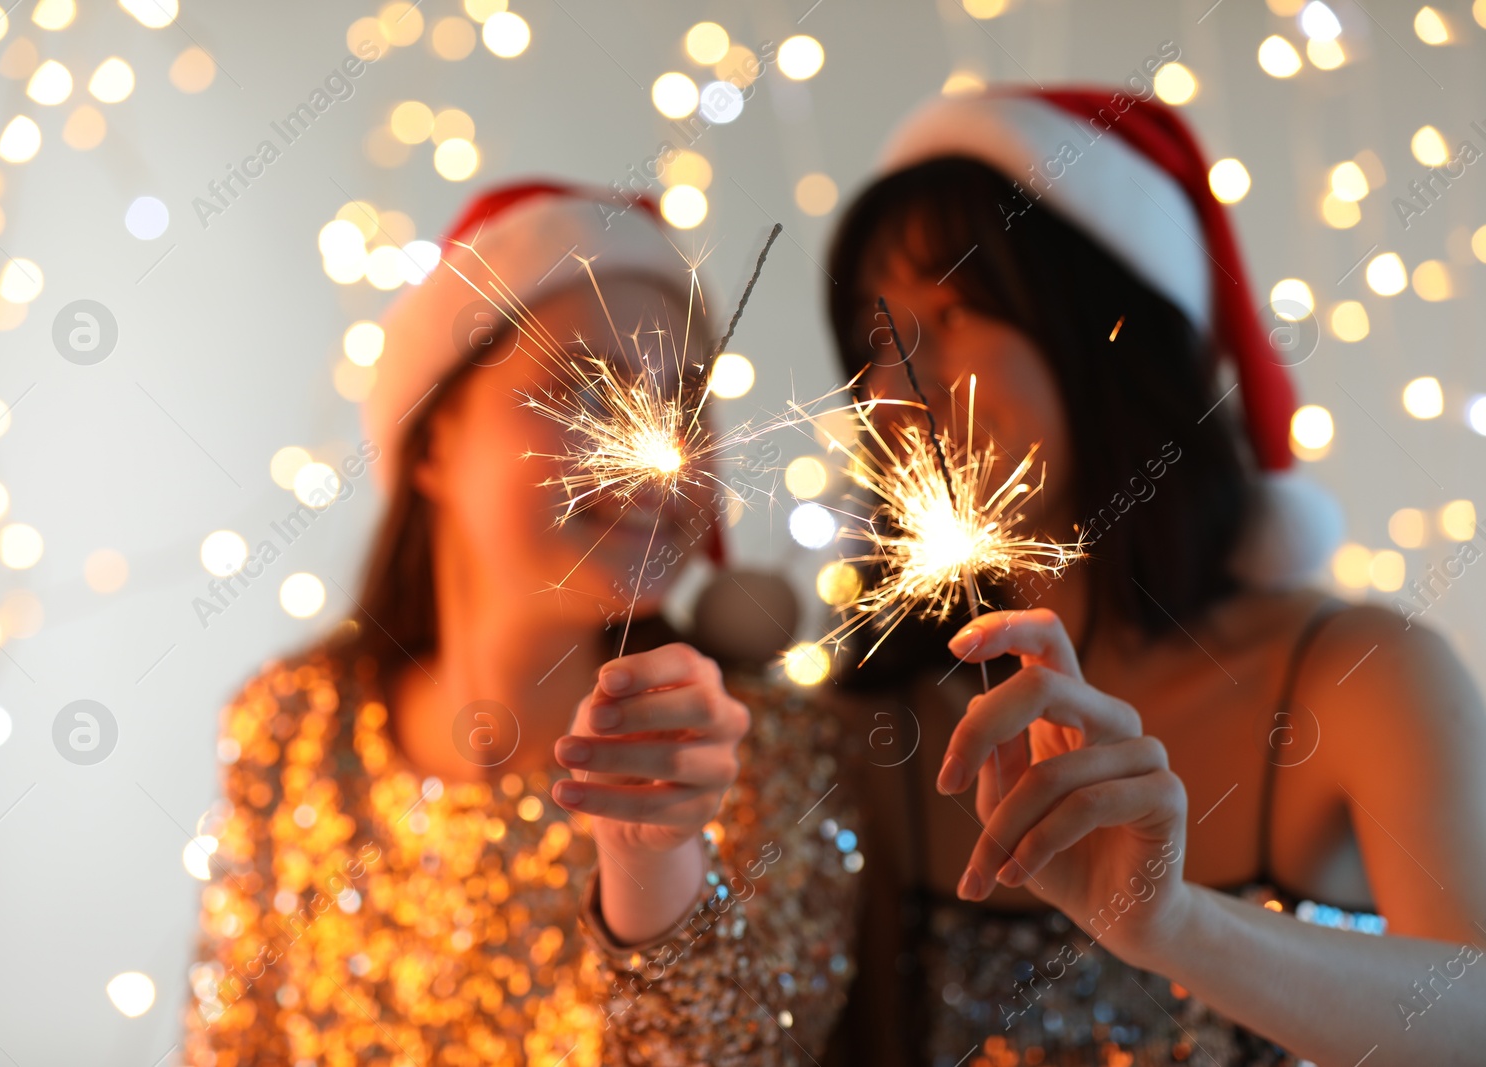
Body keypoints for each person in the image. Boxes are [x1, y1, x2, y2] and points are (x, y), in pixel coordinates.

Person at [819, 89, 1486, 1066]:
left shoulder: (1361, 674)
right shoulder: (882, 725)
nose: (899, 381)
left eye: (955, 310)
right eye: (880, 334)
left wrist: (1172, 923)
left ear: (1104, 332)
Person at [181, 182, 862, 1066]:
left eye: (684, 402)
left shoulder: (764, 755)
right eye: (587, 391)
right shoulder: (295, 725)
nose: (657, 452)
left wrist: (654, 871)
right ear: (434, 441)